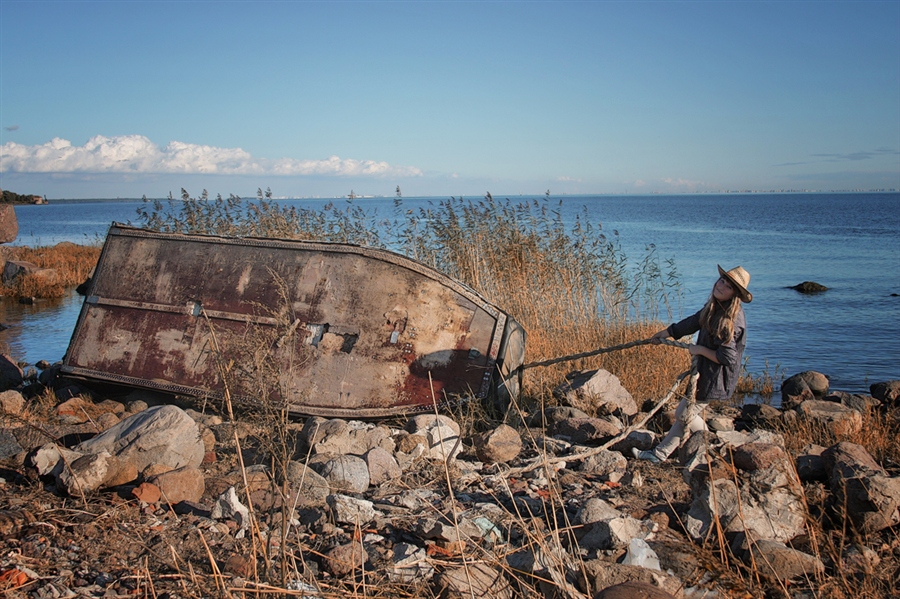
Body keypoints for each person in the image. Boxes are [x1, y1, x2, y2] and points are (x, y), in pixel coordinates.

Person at [633, 265, 752, 464]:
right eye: (722, 281)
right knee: (684, 415)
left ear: (735, 295)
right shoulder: (715, 307)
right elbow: (695, 321)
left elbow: (727, 358)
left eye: (728, 286)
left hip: (716, 378)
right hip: (706, 373)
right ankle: (659, 455)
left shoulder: (729, 320)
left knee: (683, 414)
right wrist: (667, 333)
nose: (721, 286)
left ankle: (712, 442)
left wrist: (700, 350)